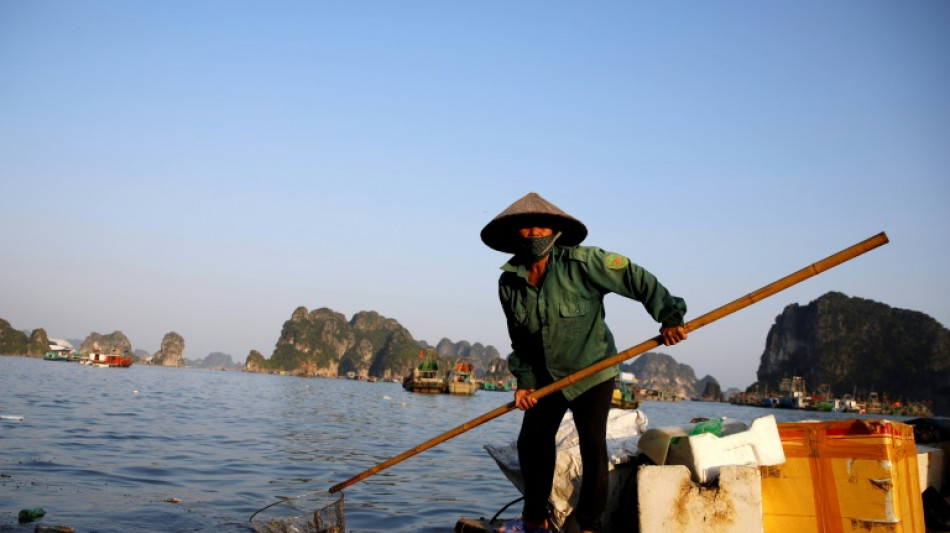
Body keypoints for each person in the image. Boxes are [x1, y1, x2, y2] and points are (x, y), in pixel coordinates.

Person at [480, 192, 688, 533]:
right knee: (531, 442)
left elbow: (635, 278)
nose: (534, 233)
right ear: (513, 234)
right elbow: (520, 339)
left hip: (593, 371)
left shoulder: (583, 263)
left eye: (541, 226)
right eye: (526, 227)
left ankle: (590, 525)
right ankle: (534, 521)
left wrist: (669, 317)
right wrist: (525, 381)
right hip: (548, 378)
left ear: (556, 231)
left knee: (593, 446)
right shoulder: (509, 282)